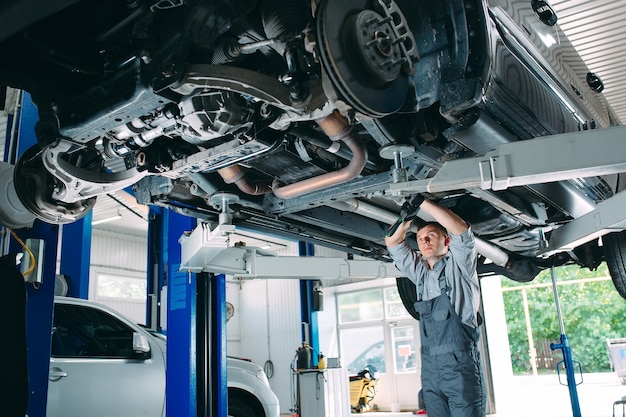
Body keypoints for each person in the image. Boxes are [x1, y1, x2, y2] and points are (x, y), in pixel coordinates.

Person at [384, 195, 485, 417]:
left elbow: (461, 231)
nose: (425, 242)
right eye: (420, 239)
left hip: (460, 368)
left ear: (446, 241)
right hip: (430, 370)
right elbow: (391, 241)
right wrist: (406, 218)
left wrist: (423, 203)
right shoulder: (420, 275)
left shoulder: (460, 268)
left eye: (431, 236)